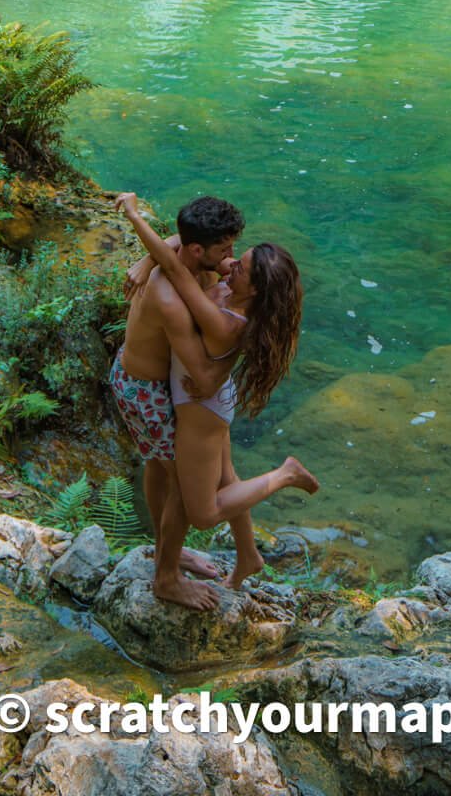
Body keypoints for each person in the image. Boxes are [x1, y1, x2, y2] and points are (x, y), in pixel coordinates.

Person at [116, 191, 318, 590]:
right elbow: (178, 248)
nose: (230, 261)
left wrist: (134, 216)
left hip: (197, 403)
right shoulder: (222, 284)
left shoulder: (213, 302)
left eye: (236, 260)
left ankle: (168, 574)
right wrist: (146, 257)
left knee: (195, 500)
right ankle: (246, 556)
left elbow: (206, 377)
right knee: (208, 475)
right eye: (227, 251)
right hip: (173, 396)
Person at [110, 193, 246, 610]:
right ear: (197, 251)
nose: (232, 257)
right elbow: (203, 379)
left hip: (136, 378)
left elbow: (176, 241)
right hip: (147, 393)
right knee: (187, 487)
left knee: (160, 467)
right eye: (225, 249)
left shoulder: (192, 256)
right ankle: (166, 579)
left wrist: (148, 256)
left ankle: (164, 548)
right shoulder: (169, 298)